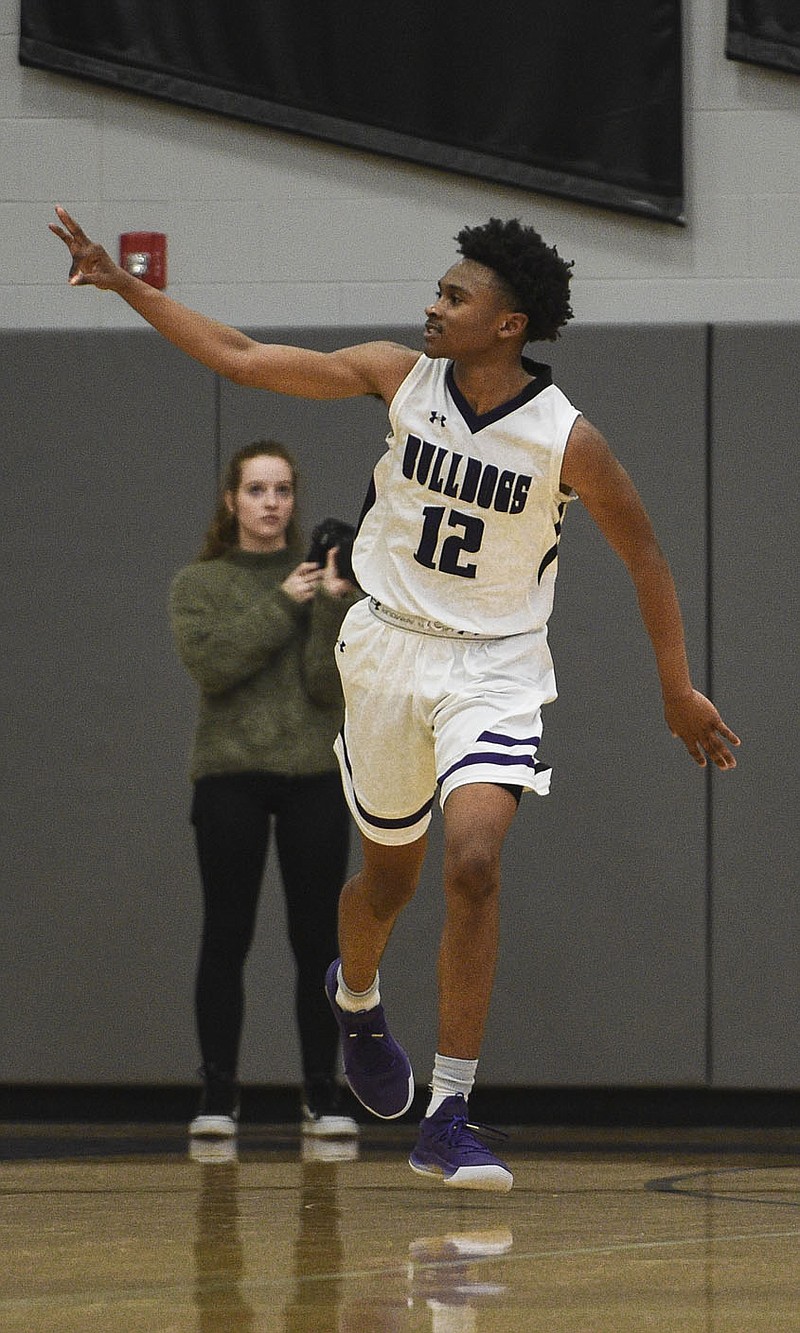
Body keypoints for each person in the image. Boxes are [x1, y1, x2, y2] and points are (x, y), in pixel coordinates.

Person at [50, 208, 740, 1191]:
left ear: (506, 324)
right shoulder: (395, 376)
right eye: (438, 287)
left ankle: (447, 1110)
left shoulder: (565, 439)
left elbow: (644, 553)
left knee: (472, 864)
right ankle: (358, 997)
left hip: (495, 666)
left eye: (454, 295)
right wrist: (128, 286)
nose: (433, 302)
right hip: (385, 655)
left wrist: (674, 686)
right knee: (387, 885)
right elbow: (243, 358)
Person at [169, 438, 362, 1141]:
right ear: (232, 500)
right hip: (229, 776)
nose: (271, 503)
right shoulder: (200, 583)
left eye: (282, 490)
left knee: (318, 941)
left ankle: (323, 1089)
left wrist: (334, 606)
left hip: (312, 772)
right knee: (227, 932)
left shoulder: (323, 576)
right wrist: (285, 601)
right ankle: (219, 1091)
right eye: (256, 490)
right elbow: (216, 666)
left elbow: (325, 686)